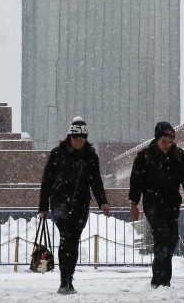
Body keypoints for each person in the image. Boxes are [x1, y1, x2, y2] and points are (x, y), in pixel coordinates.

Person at [38, 116, 110, 295]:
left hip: (80, 204)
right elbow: (46, 181)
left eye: (83, 138)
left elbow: (96, 181)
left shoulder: (91, 156)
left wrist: (103, 202)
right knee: (66, 238)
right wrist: (43, 206)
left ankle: (69, 278)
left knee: (73, 241)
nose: (80, 142)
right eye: (77, 138)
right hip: (60, 203)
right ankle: (64, 281)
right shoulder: (57, 153)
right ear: (70, 137)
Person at [128, 121, 184, 289]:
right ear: (157, 139)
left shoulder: (179, 155)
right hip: (153, 206)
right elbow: (136, 182)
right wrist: (134, 203)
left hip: (172, 205)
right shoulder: (144, 156)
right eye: (164, 141)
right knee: (162, 240)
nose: (168, 144)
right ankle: (161, 281)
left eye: (170, 141)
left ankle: (161, 280)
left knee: (171, 239)